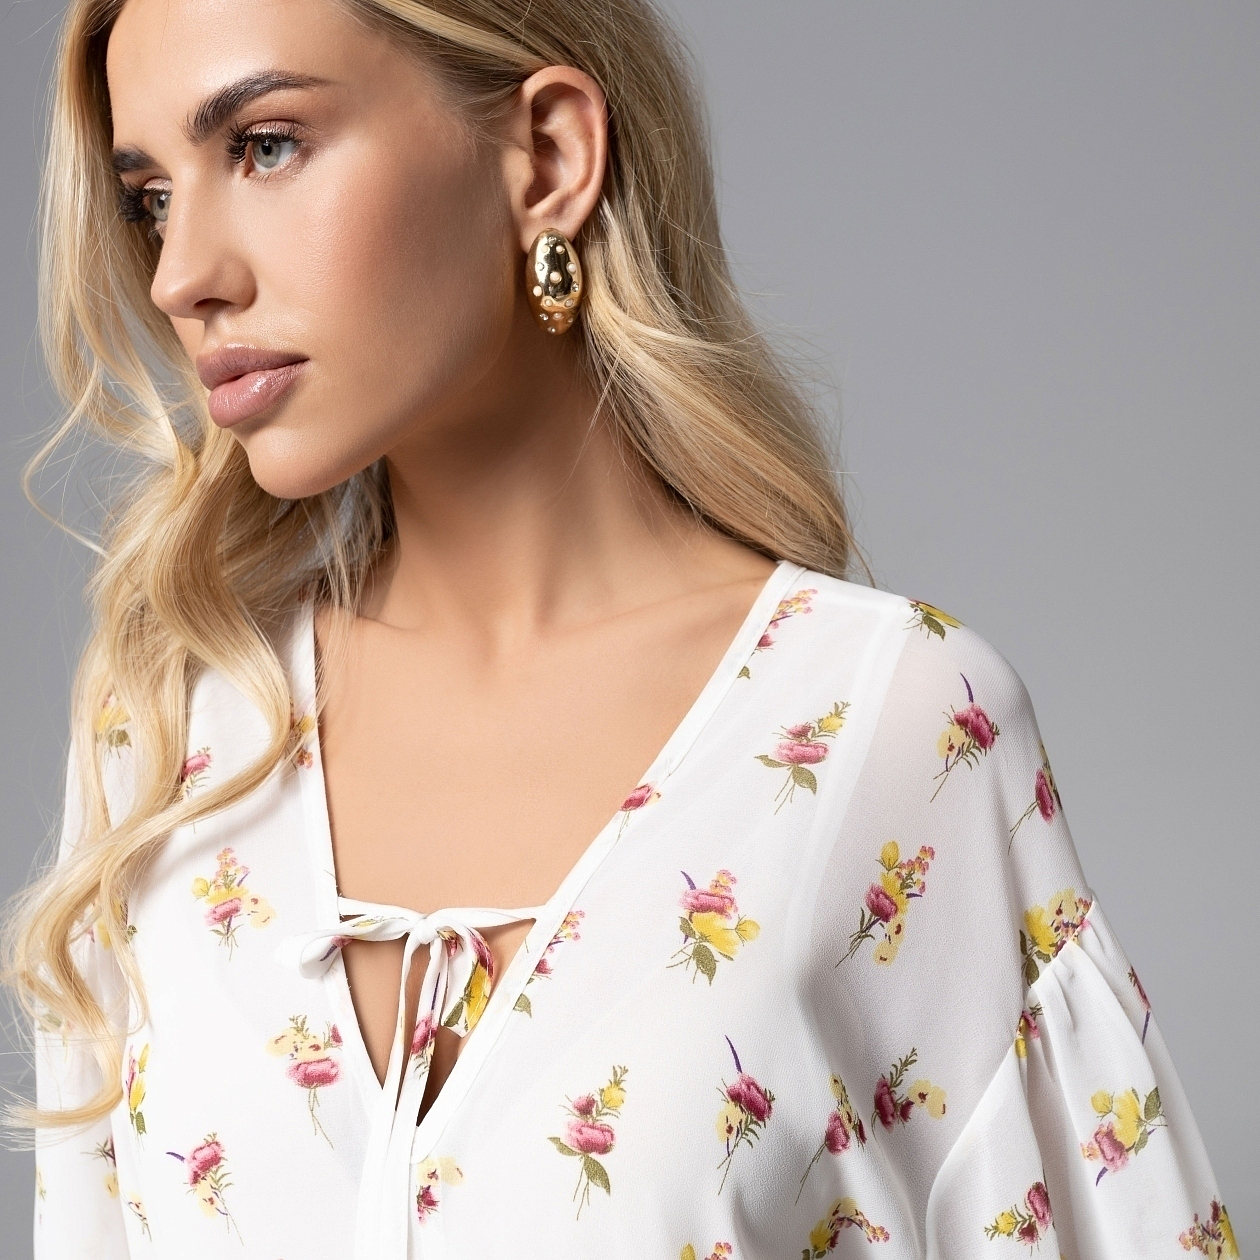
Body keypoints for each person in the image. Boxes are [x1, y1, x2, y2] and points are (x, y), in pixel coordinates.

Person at [4, 0, 1232, 1257]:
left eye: (266, 146)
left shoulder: (891, 725)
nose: (181, 274)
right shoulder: (170, 735)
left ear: (547, 156)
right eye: (152, 198)